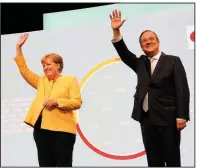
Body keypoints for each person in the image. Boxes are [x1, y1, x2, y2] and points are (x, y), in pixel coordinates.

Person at [109, 9, 190, 167]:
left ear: (158, 42)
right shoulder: (140, 62)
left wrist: (182, 115)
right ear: (141, 46)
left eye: (151, 39)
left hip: (168, 118)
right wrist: (116, 31)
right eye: (144, 41)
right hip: (146, 119)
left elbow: (182, 89)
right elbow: (124, 54)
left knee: (172, 158)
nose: (148, 42)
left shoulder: (173, 61)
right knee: (153, 160)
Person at [14, 33, 82, 167]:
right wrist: (18, 47)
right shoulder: (41, 81)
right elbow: (24, 70)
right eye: (43, 65)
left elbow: (77, 102)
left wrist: (57, 102)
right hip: (41, 131)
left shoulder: (70, 79)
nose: (45, 68)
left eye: (48, 64)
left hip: (63, 132)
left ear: (58, 65)